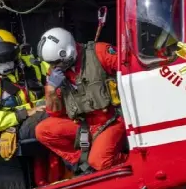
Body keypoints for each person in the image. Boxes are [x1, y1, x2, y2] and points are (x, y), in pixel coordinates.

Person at [34, 27, 128, 174]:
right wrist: (51, 90)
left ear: (69, 52)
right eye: (51, 63)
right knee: (43, 130)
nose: (54, 67)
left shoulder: (100, 52)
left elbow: (130, 67)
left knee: (101, 162)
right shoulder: (55, 72)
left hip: (112, 119)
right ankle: (82, 164)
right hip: (84, 124)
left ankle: (131, 161)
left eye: (57, 62)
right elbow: (56, 114)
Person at [0, 29, 50, 161]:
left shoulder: (30, 64)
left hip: (43, 110)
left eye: (7, 59)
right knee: (51, 114)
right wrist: (24, 112)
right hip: (17, 126)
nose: (4, 65)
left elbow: (52, 70)